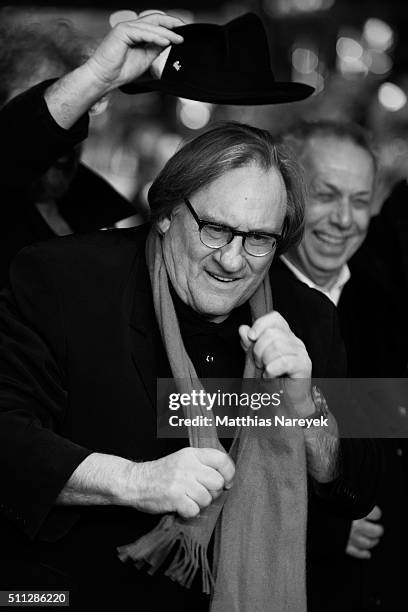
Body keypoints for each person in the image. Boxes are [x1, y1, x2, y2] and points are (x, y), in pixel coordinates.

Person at [0, 12, 380, 611]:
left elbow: (361, 480)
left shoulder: (308, 317)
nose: (234, 259)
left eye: (259, 239)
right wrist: (133, 481)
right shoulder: (63, 278)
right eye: (215, 230)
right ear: (169, 214)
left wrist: (305, 410)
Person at [279, 120, 407, 611]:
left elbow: (386, 429)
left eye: (360, 200)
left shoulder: (381, 300)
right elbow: (201, 418)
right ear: (289, 193)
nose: (344, 219)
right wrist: (325, 526)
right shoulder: (242, 292)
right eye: (327, 195)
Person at [0, 16, 136, 288]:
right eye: (55, 106)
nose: (64, 130)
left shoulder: (96, 209)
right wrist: (97, 74)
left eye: (78, 108)